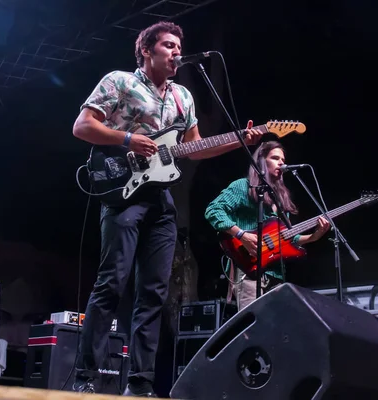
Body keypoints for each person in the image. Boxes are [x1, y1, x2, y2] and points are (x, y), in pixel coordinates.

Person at [71, 21, 264, 396]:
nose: (177, 52)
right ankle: (85, 378)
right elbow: (83, 126)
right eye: (169, 46)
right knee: (112, 283)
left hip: (160, 199)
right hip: (121, 190)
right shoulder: (120, 82)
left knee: (154, 293)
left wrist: (239, 139)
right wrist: (127, 138)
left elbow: (195, 148)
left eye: (180, 46)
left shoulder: (183, 97)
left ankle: (140, 384)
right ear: (147, 50)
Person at [205, 141, 331, 311]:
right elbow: (213, 211)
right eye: (275, 158)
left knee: (276, 328)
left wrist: (314, 236)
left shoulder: (279, 199)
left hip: (276, 272)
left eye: (283, 159)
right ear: (262, 161)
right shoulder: (242, 186)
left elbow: (288, 238)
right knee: (253, 327)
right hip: (248, 270)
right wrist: (241, 234)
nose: (281, 163)